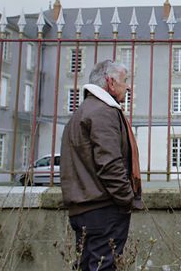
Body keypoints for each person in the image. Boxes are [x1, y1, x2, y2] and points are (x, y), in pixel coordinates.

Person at [61, 60, 142, 270]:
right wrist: (127, 199)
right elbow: (110, 164)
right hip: (103, 210)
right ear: (110, 82)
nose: (128, 86)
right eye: (125, 81)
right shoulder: (103, 112)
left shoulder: (83, 111)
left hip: (85, 209)